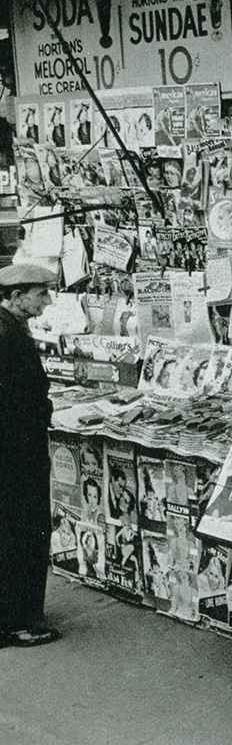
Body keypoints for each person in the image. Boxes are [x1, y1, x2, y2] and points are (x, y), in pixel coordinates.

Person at [0, 264, 61, 646]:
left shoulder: (9, 328)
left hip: (14, 448)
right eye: (40, 294)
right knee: (22, 534)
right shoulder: (8, 336)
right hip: (16, 452)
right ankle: (18, 622)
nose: (47, 301)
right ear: (16, 295)